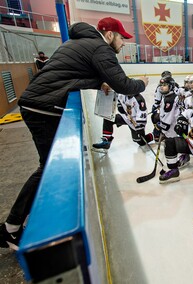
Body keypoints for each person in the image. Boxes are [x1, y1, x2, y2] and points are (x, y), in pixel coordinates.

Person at [0, 17, 149, 251]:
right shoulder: (101, 48)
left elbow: (70, 75)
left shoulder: (79, 43)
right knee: (47, 168)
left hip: (38, 104)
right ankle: (10, 228)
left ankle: (18, 221)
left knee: (46, 166)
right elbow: (124, 85)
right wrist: (142, 83)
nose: (123, 44)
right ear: (109, 35)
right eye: (122, 38)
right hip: (43, 108)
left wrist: (98, 83)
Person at [151, 71, 179, 142]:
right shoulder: (167, 95)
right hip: (169, 126)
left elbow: (167, 121)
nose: (161, 87)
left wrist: (161, 126)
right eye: (161, 85)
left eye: (164, 85)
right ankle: (159, 134)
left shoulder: (169, 99)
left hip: (171, 131)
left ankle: (158, 134)